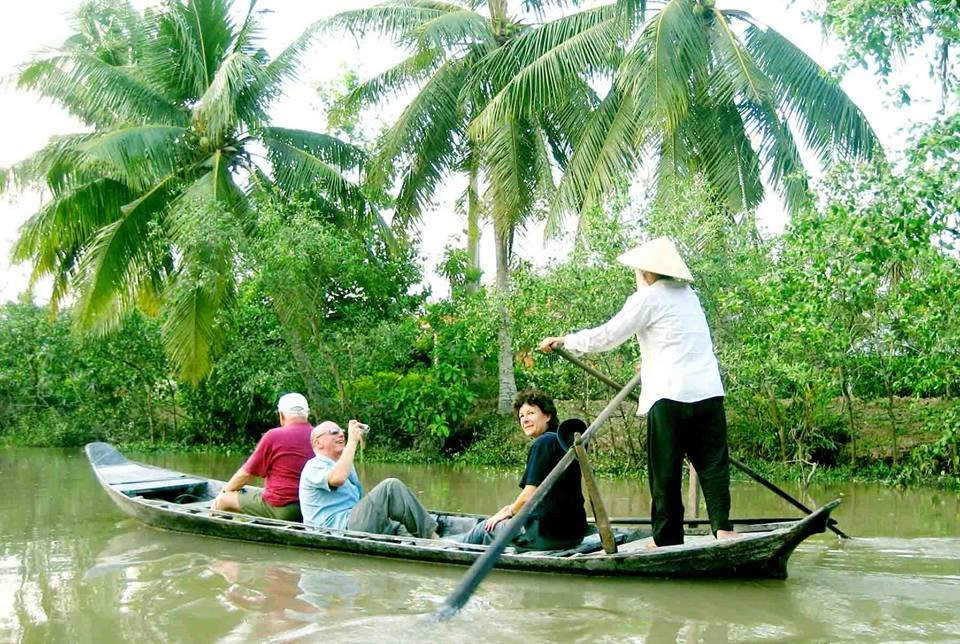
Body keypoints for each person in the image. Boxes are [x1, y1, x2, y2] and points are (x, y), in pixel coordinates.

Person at [539, 236, 738, 547]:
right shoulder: (690, 296)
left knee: (665, 470)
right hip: (708, 391)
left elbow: (607, 336)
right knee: (713, 464)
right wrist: (649, 363)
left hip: (670, 396)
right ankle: (723, 530)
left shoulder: (647, 299)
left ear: (646, 273)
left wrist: (565, 340)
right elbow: (679, 340)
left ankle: (666, 538)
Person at [460, 389, 588, 550]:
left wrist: (509, 511)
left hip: (547, 535)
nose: (525, 420)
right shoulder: (565, 444)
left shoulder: (542, 444)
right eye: (521, 416)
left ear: (547, 416)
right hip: (575, 535)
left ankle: (452, 552)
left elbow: (528, 497)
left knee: (484, 528)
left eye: (531, 413)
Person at [299, 419, 438, 539]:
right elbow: (337, 479)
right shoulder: (314, 466)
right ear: (318, 443)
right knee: (390, 487)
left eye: (342, 430)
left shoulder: (344, 464)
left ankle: (419, 539)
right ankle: (434, 539)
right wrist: (352, 441)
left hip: (353, 521)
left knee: (396, 521)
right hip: (338, 530)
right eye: (334, 431)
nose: (341, 434)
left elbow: (359, 500)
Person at [211, 392, 314, 521]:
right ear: (307, 414)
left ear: (281, 415)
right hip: (309, 508)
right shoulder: (318, 436)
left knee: (225, 499)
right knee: (248, 494)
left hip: (282, 509)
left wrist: (222, 493)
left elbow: (245, 475)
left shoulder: (274, 436)